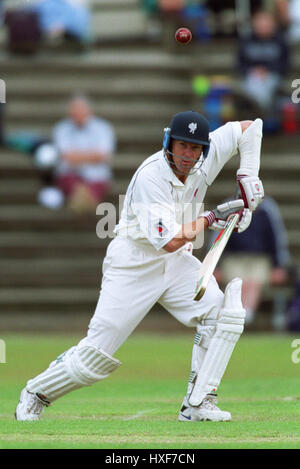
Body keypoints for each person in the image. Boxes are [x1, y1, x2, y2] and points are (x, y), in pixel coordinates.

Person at [15, 111, 264, 422]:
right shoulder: (151, 176)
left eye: (194, 148)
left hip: (175, 264)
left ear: (204, 149)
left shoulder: (207, 154)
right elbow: (172, 239)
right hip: (133, 264)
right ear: (168, 141)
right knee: (94, 358)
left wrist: (248, 177)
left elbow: (250, 128)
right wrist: (215, 217)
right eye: (182, 145)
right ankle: (35, 393)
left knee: (220, 312)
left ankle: (198, 402)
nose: (187, 155)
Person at [212, 196, 290, 324]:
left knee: (253, 283)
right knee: (239, 284)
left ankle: (244, 317)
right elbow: (219, 238)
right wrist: (215, 266)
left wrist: (279, 265)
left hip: (259, 260)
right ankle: (239, 317)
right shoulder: (229, 208)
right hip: (234, 259)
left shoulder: (267, 211)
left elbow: (276, 241)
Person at [52, 95, 116, 213]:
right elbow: (65, 155)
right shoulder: (61, 128)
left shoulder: (103, 128)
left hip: (96, 177)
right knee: (70, 183)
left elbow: (103, 155)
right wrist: (91, 156)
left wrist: (76, 156)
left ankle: (81, 199)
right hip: (71, 176)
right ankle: (84, 199)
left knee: (92, 187)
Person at [237, 10, 289, 112]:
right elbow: (240, 64)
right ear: (254, 24)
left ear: (273, 24)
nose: (263, 26)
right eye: (260, 23)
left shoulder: (280, 41)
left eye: (266, 23)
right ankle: (261, 110)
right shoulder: (246, 40)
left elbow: (285, 63)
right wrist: (253, 71)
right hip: (251, 76)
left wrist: (267, 71)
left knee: (266, 87)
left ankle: (258, 109)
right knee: (253, 85)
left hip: (273, 76)